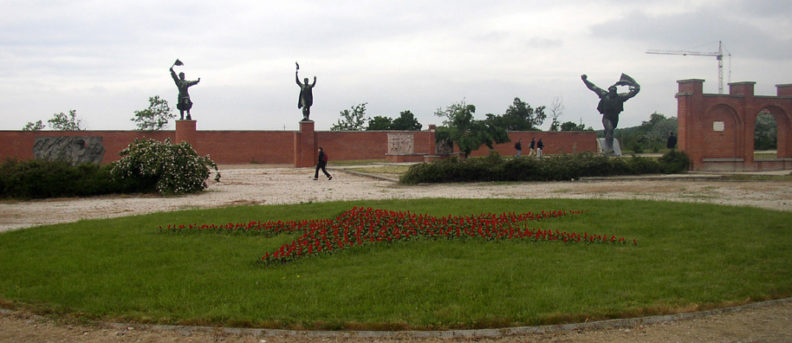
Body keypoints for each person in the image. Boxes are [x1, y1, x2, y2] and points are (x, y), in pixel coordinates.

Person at [581, 74, 640, 154]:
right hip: (607, 117)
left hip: (615, 117)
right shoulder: (604, 94)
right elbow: (593, 87)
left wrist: (634, 84)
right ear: (609, 91)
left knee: (610, 131)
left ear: (615, 92)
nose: (612, 92)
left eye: (614, 90)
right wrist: (585, 80)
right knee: (610, 129)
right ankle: (609, 148)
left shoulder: (620, 97)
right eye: (611, 90)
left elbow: (633, 93)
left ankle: (607, 138)